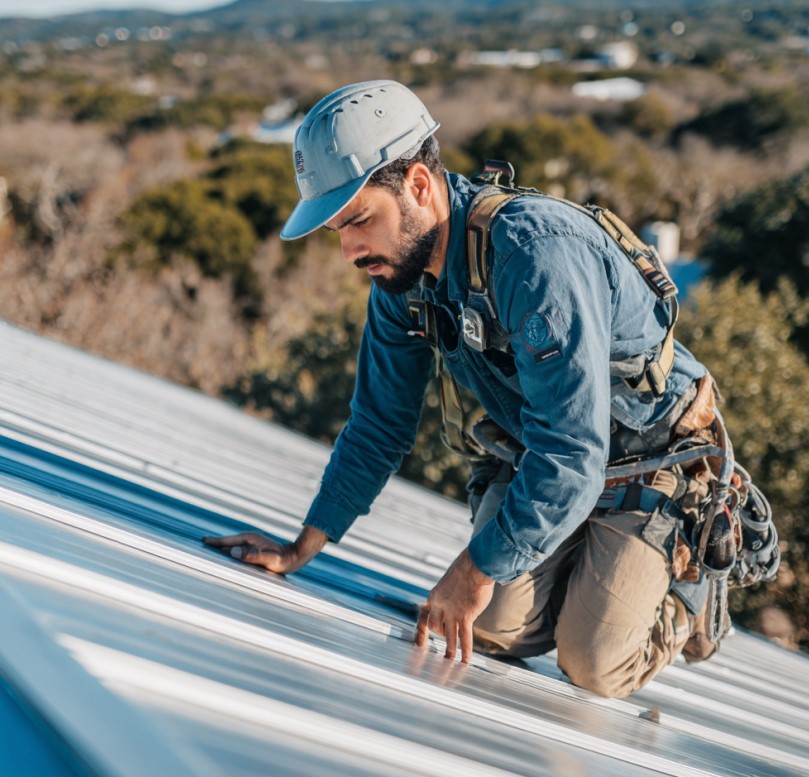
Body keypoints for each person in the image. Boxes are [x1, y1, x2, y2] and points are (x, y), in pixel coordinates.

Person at [204, 79, 725, 699]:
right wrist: (301, 546)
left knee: (592, 663)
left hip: (651, 457)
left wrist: (477, 571)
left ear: (419, 186)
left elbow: (571, 452)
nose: (348, 249)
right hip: (550, 453)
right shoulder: (401, 281)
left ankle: (688, 593)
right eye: (336, 230)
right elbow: (378, 424)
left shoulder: (535, 257)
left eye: (360, 220)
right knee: (491, 628)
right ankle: (588, 571)